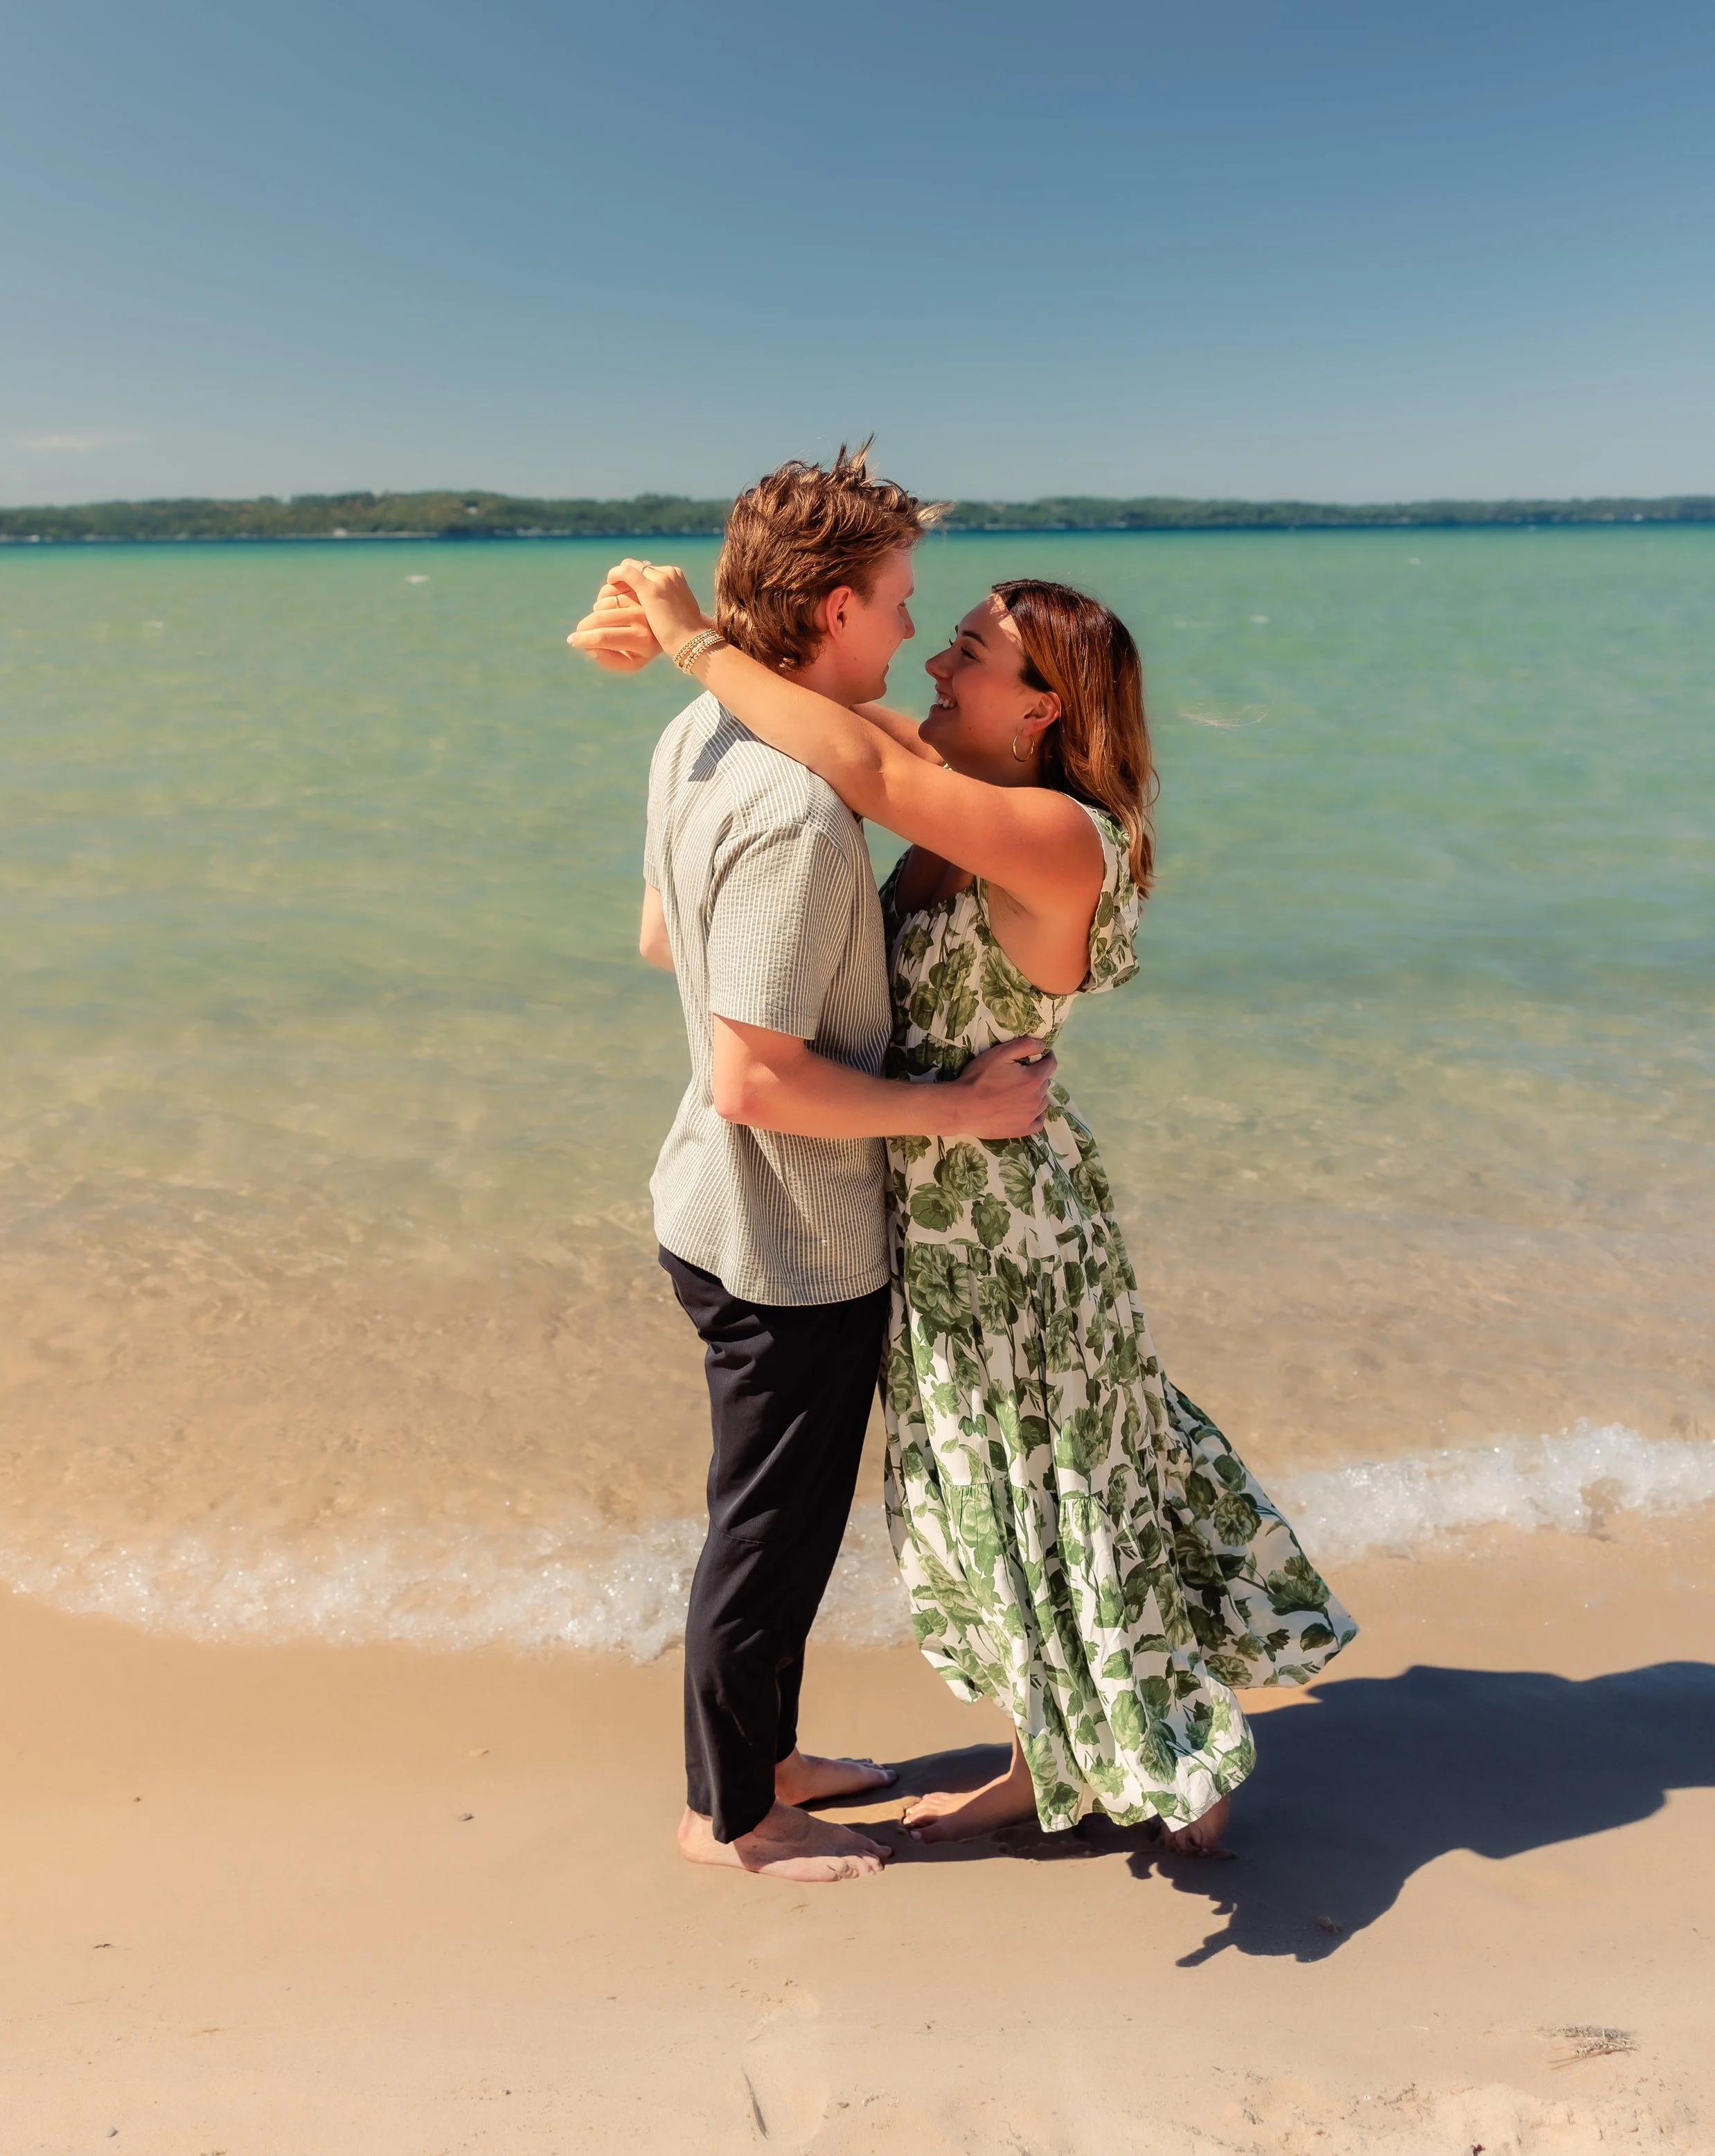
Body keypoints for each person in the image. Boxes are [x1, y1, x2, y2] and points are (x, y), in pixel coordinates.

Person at [574, 541, 1356, 1853]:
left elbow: (859, 762)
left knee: (1069, 1484)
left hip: (1014, 1225)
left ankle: (1181, 1763)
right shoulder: (959, 787)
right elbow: (820, 713)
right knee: (994, 1494)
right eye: (934, 630)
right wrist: (677, 641)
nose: (935, 658)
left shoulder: (1056, 836)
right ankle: (1045, 1758)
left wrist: (691, 635)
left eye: (972, 653)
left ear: (1042, 707)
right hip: (938, 1215)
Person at [607, 448, 1058, 1885]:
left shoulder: (696, 732)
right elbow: (756, 1078)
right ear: (837, 612)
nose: (915, 630)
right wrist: (957, 1109)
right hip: (782, 1234)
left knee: (776, 1519)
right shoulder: (800, 810)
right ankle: (731, 1815)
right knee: (769, 1532)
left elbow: (663, 938)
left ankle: (766, 1754)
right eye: (902, 601)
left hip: (708, 1201)